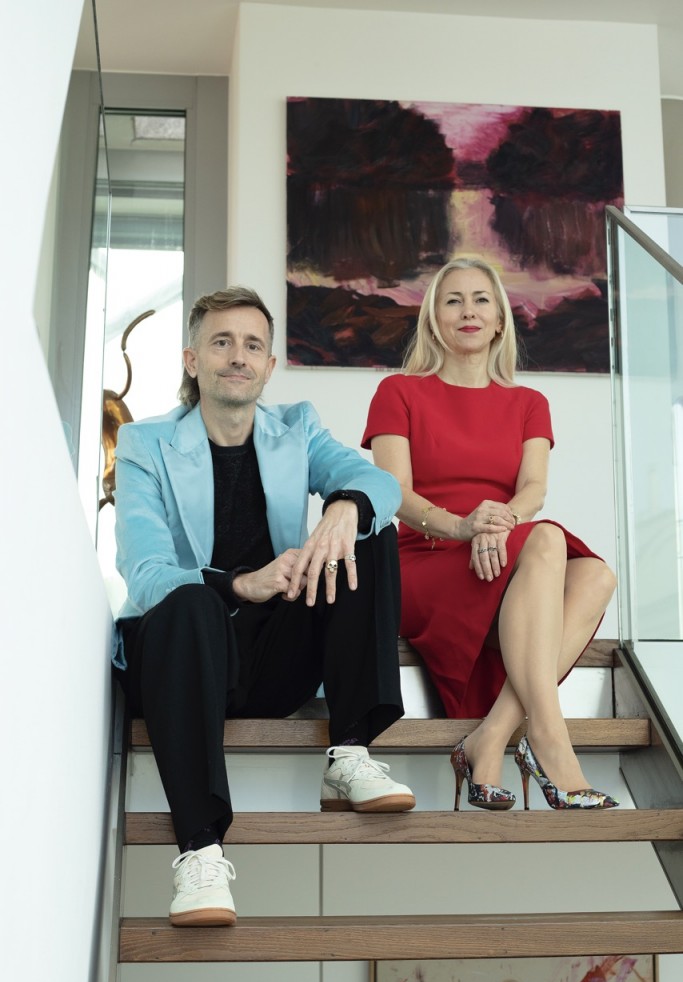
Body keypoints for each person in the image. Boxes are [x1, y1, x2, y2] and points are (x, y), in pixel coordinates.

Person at [111, 285, 415, 928]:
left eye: (253, 345)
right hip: (181, 660)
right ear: (192, 359)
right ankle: (199, 852)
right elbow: (144, 573)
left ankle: (352, 749)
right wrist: (236, 584)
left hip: (270, 657)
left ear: (270, 365)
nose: (238, 357)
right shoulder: (145, 444)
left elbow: (382, 484)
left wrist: (343, 506)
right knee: (191, 601)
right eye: (222, 342)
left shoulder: (295, 428)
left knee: (368, 527)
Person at [362, 257, 618, 812]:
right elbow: (394, 495)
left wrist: (493, 522)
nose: (468, 311)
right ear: (433, 320)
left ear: (500, 319)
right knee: (548, 542)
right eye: (453, 301)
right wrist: (461, 525)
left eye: (481, 300)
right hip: (422, 558)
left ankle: (493, 735)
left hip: (496, 546)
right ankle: (552, 744)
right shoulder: (398, 392)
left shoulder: (529, 403)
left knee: (595, 573)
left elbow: (533, 489)